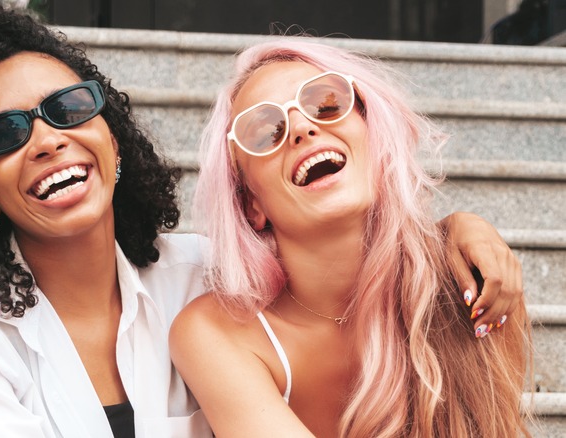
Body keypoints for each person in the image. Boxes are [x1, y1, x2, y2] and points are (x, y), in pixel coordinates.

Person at [0, 2, 523, 437]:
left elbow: (336, 248)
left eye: (68, 109)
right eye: (4, 134)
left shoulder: (203, 277)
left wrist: (456, 228)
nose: (47, 138)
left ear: (111, 137)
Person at [170, 39, 531, 437]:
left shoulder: (472, 283)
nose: (304, 128)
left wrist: (453, 228)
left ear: (373, 135)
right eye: (265, 132)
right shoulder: (216, 333)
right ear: (251, 203)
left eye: (326, 103)